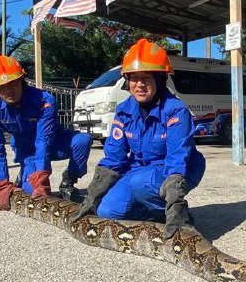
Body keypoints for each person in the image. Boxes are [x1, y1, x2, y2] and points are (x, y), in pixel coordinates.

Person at [73, 39, 206, 238]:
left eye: (147, 78)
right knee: (107, 211)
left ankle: (180, 216)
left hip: (176, 170)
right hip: (139, 170)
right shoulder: (124, 110)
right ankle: (157, 214)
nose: (140, 84)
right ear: (127, 81)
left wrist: (175, 198)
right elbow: (114, 157)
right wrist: (92, 195)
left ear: (160, 79)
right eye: (134, 78)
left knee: (141, 183)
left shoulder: (176, 111)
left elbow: (178, 158)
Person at [0, 54, 92, 209]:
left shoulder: (44, 100)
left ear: (22, 80)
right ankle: (24, 174)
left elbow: (44, 139)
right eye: (2, 87)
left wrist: (41, 175)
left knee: (82, 140)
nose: (8, 90)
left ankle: (68, 181)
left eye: (12, 83)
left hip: (53, 142)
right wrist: (1, 182)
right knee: (31, 194)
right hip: (27, 151)